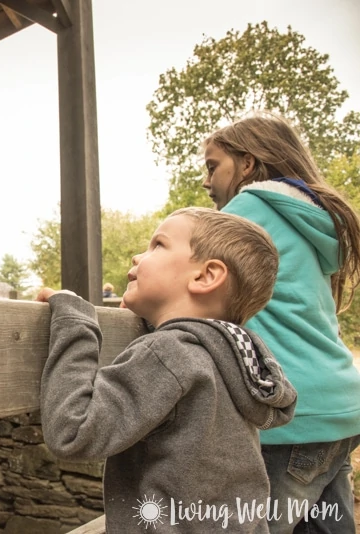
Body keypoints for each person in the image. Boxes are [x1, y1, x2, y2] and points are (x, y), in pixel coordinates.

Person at [38, 207, 297, 533]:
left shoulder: (168, 354)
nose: (136, 256)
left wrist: (76, 322)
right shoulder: (233, 358)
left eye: (157, 245)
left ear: (205, 276)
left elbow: (73, 432)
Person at [202, 112, 360, 533]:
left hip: (291, 419)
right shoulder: (311, 221)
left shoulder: (250, 207)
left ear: (248, 164)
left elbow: (189, 281)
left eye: (213, 165)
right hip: (340, 407)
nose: (206, 181)